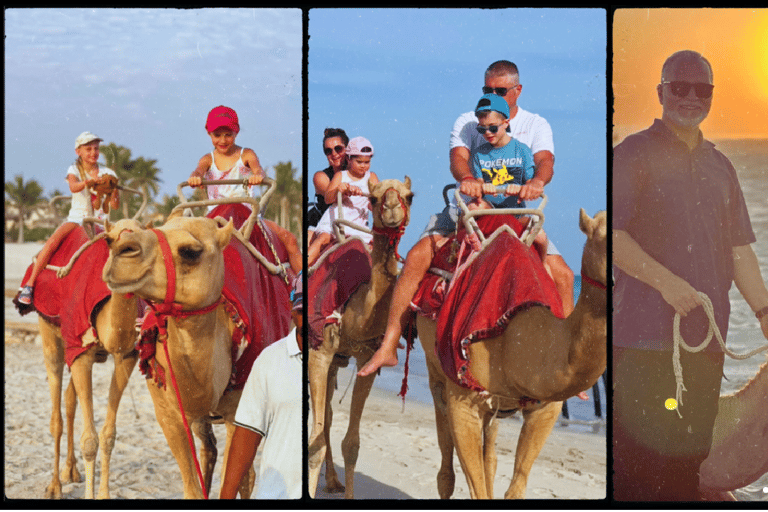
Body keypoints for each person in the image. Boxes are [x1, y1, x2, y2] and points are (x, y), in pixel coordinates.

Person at [612, 50, 768, 501]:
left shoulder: (722, 167)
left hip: (705, 344)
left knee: (688, 464)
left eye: (702, 90)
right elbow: (615, 239)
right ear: (662, 92)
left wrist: (763, 310)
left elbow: (741, 252)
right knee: (637, 469)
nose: (690, 97)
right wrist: (668, 284)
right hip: (642, 342)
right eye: (680, 87)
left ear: (711, 96)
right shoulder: (631, 155)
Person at [360, 59, 568, 376]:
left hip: (516, 210)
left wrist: (537, 183)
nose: (493, 95)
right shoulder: (470, 121)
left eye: (500, 90)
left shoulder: (535, 125)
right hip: (471, 207)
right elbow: (458, 158)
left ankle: (564, 358)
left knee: (564, 274)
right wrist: (468, 178)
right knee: (417, 256)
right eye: (487, 89)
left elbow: (544, 161)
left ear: (517, 90)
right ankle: (389, 343)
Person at [189, 105, 301, 274]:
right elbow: (198, 170)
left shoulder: (246, 154)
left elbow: (258, 170)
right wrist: (196, 177)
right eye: (217, 135)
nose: (223, 140)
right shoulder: (207, 159)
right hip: (216, 216)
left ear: (237, 132)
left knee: (290, 239)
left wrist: (258, 176)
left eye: (228, 135)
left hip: (246, 215)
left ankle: (302, 288)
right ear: (208, 132)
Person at [220, 274, 303, 499]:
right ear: (293, 312)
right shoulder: (271, 360)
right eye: (304, 311)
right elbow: (248, 433)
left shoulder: (336, 362)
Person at [17, 131, 119, 305]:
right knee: (54, 240)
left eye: (96, 149)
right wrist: (88, 182)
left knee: (129, 242)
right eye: (88, 149)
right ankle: (30, 284)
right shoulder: (75, 170)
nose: (93, 153)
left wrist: (112, 191)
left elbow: (115, 205)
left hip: (103, 220)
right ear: (78, 151)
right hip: (78, 218)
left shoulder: (107, 172)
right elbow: (73, 187)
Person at [307, 136, 379, 267]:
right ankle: (302, 274)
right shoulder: (341, 176)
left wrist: (374, 201)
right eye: (359, 162)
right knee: (322, 239)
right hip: (335, 222)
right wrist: (340, 190)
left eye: (367, 162)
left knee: (377, 248)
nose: (363, 166)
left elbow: (375, 204)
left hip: (358, 225)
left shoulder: (371, 177)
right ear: (349, 159)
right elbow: (328, 198)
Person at [308, 128, 349, 238]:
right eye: (328, 151)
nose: (334, 154)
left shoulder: (359, 175)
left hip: (352, 225)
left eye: (338, 149)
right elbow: (334, 198)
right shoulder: (321, 177)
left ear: (348, 149)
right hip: (322, 227)